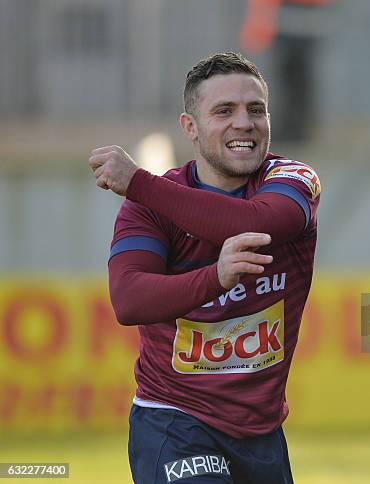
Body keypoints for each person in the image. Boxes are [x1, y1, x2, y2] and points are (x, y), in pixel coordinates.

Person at [88, 52, 320, 484]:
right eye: (223, 111)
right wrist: (215, 278)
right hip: (174, 420)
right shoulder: (151, 206)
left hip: (261, 429)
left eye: (255, 110)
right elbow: (128, 298)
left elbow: (256, 224)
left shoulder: (293, 180)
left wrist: (138, 182)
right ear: (189, 128)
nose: (244, 123)